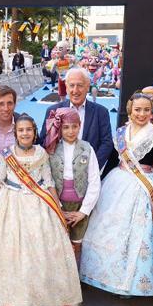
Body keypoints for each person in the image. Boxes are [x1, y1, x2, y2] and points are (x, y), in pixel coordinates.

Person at [0, 114, 81, 306]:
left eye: (28, 129)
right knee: (11, 250)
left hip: (39, 203)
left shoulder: (41, 153)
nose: (25, 133)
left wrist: (57, 207)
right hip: (11, 204)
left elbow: (48, 181)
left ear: (34, 132)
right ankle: (11, 300)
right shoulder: (7, 154)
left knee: (40, 250)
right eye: (21, 130)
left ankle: (40, 301)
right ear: (15, 133)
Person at [79, 92, 153, 296]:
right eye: (137, 109)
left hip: (144, 187)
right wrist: (99, 184)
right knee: (111, 231)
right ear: (130, 110)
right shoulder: (121, 132)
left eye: (146, 110)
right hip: (117, 183)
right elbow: (112, 160)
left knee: (138, 236)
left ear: (152, 112)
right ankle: (108, 277)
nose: (142, 114)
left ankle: (132, 282)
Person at [44, 106, 101, 261]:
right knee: (58, 244)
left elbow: (94, 181)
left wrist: (83, 211)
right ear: (59, 128)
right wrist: (58, 208)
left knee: (77, 244)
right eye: (66, 127)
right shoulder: (51, 149)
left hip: (80, 206)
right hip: (58, 206)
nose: (70, 131)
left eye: (74, 127)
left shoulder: (87, 148)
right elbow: (47, 180)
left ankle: (76, 273)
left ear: (80, 126)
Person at [41, 68, 115, 173]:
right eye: (71, 85)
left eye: (80, 85)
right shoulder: (53, 111)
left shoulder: (101, 112)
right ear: (66, 87)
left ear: (87, 87)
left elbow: (106, 143)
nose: (75, 90)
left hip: (89, 171)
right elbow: (44, 141)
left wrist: (91, 168)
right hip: (58, 172)